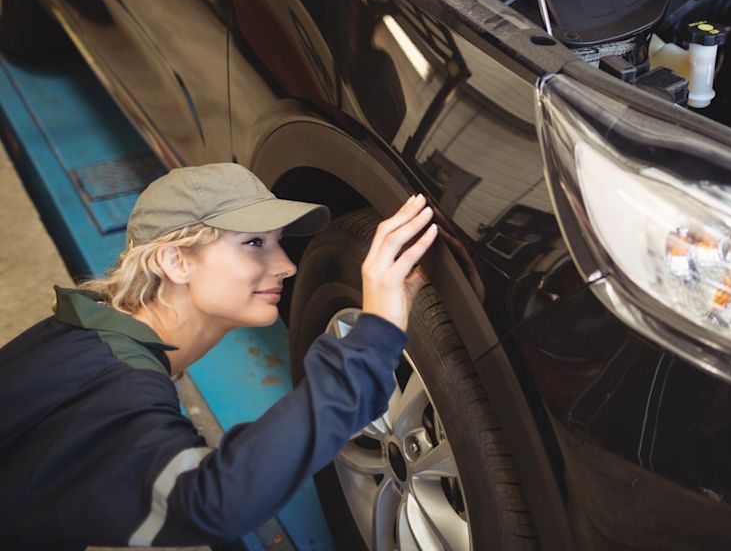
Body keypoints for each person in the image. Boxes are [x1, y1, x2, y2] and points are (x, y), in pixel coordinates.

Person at [0, 162, 438, 549]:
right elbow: (212, 501)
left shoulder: (78, 335)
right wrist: (374, 335)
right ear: (176, 262)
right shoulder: (120, 385)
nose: (286, 264)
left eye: (279, 241)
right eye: (254, 243)